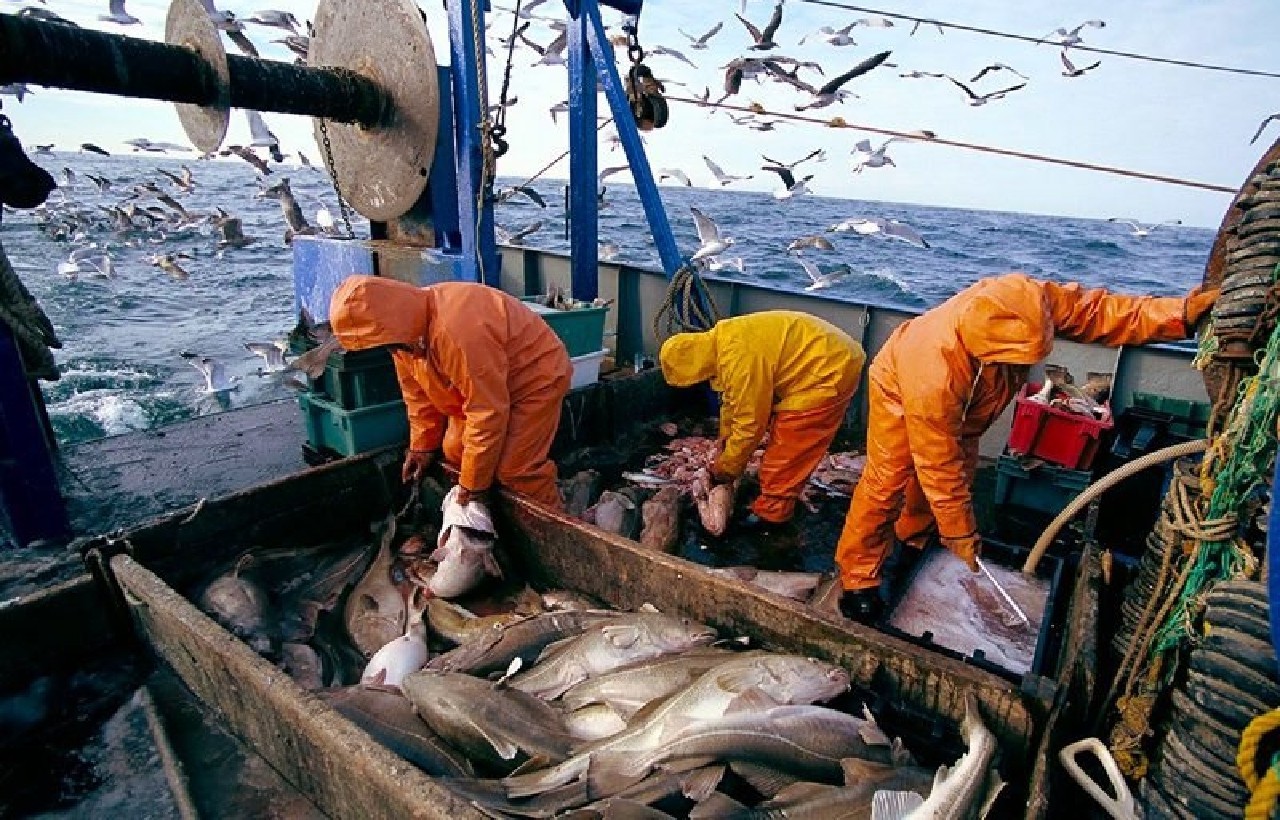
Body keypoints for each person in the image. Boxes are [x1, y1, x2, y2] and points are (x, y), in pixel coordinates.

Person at [835, 272, 1219, 622]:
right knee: (888, 481)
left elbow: (1100, 312)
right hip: (901, 392)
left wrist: (1180, 315)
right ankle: (858, 577)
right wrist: (960, 532)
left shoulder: (1033, 300)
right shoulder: (933, 370)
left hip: (970, 405)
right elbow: (938, 462)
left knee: (957, 475)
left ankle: (913, 540)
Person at [328, 275, 572, 509]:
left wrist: (474, 488)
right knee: (455, 452)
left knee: (515, 471)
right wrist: (422, 447)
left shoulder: (457, 332)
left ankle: (559, 531)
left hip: (534, 379)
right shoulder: (402, 339)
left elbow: (487, 411)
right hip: (482, 390)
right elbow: (418, 396)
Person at [659, 310, 866, 528]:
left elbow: (750, 425)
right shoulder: (723, 340)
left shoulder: (740, 362)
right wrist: (725, 440)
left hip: (829, 369)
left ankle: (772, 517)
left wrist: (727, 469)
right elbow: (733, 402)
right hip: (824, 355)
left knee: (789, 449)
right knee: (779, 441)